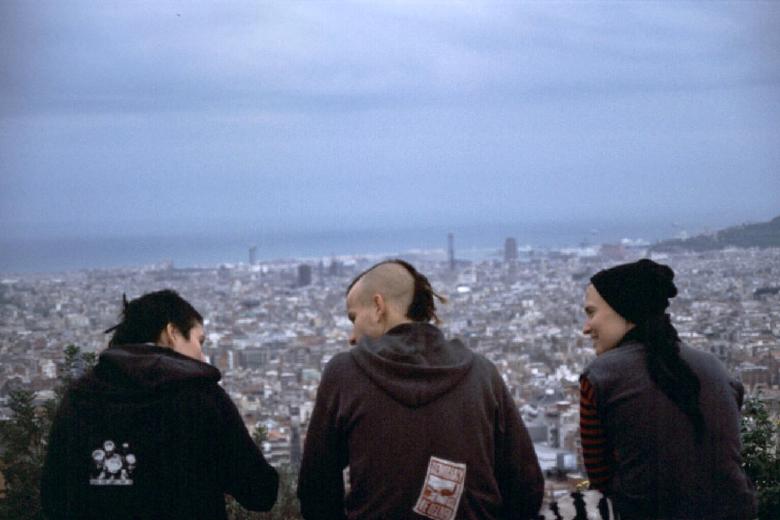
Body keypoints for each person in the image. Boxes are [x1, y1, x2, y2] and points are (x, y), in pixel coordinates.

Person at [297, 260, 544, 520]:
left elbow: (316, 489)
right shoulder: (482, 374)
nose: (352, 336)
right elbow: (526, 488)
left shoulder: (345, 373)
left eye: (353, 318)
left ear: (378, 306)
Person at [41, 289, 278, 519]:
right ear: (172, 332)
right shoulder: (200, 396)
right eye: (200, 341)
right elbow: (260, 492)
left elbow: (54, 498)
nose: (203, 357)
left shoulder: (80, 396)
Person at [579, 259, 756, 519]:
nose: (586, 328)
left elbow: (600, 481)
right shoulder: (716, 368)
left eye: (591, 313)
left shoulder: (599, 377)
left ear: (623, 309)